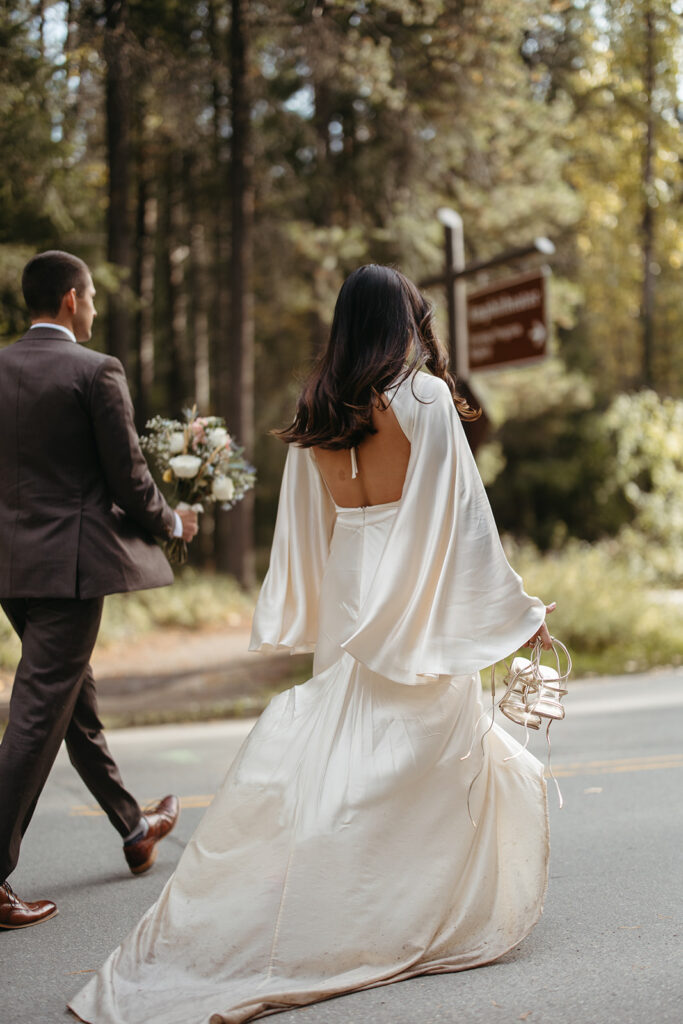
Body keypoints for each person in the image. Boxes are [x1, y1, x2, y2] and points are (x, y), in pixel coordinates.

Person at [69, 265, 554, 1024]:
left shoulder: (319, 402)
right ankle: (392, 908)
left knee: (355, 747)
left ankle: (350, 888)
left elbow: (308, 522)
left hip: (350, 578)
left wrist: (317, 606)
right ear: (400, 321)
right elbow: (462, 518)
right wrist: (518, 611)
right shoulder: (422, 396)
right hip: (409, 576)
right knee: (419, 744)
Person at [0, 250, 199, 930]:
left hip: (11, 568)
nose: (93, 311)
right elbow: (128, 478)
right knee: (34, 716)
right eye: (89, 300)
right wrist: (174, 520)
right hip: (71, 568)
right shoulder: (95, 370)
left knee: (67, 700)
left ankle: (132, 823)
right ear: (68, 301)